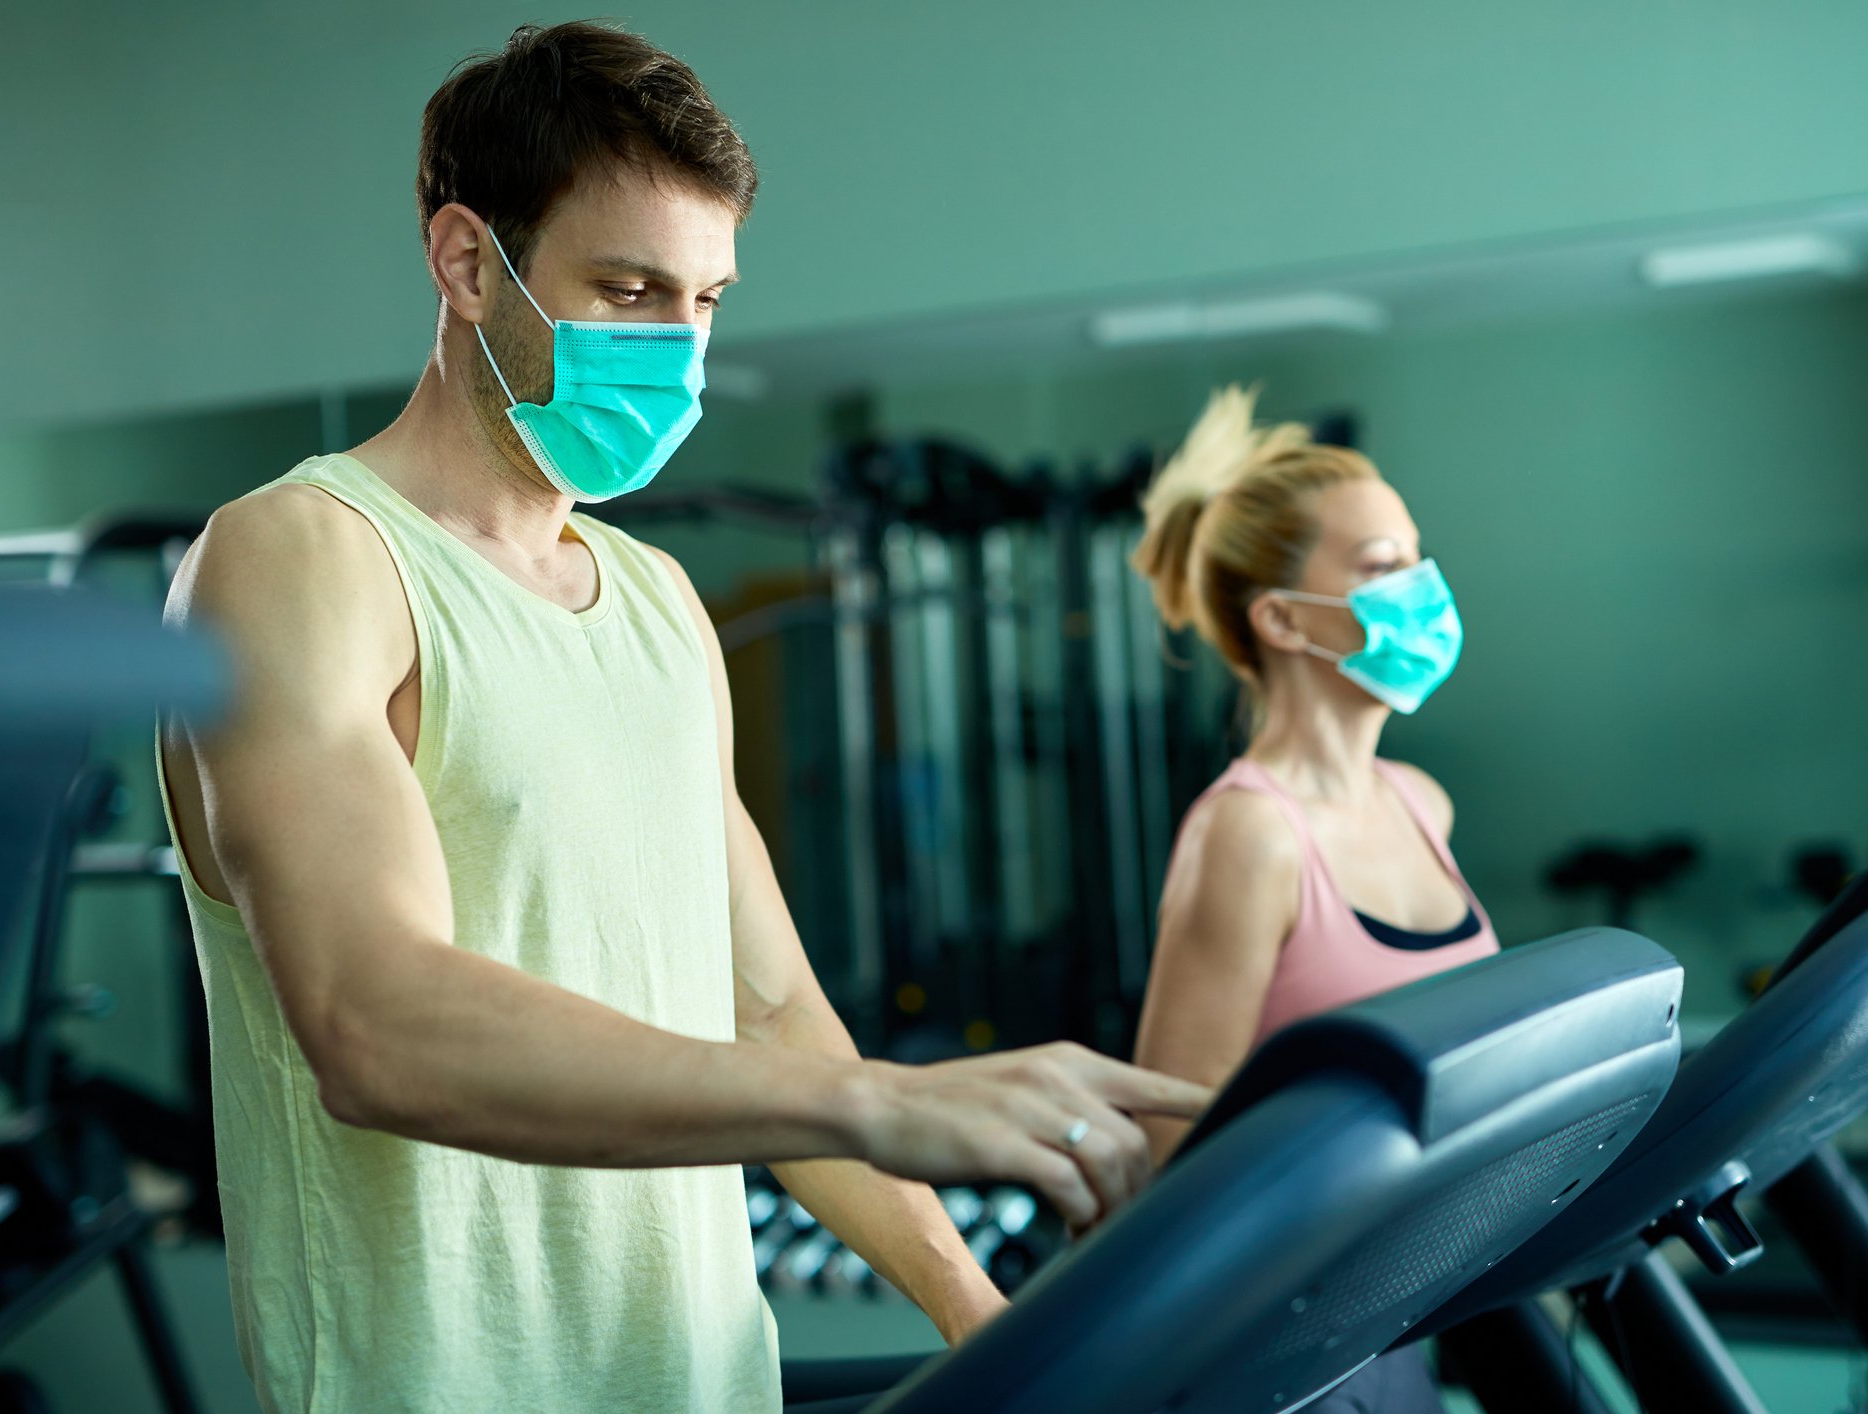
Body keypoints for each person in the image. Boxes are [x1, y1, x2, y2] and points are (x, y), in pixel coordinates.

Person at [156, 23, 1206, 1413]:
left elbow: (772, 1010)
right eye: (631, 288)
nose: (679, 346)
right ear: (470, 262)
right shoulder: (303, 559)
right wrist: (887, 1098)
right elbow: (374, 1021)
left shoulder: (654, 602)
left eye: (706, 299)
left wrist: (982, 1310)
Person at [1127, 386, 1496, 1412]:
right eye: (1383, 570)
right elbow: (1167, 1139)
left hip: (1414, 1300)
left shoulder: (1422, 803)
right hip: (1288, 1339)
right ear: (1285, 618)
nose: (1424, 591)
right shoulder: (1249, 833)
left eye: (1419, 558)